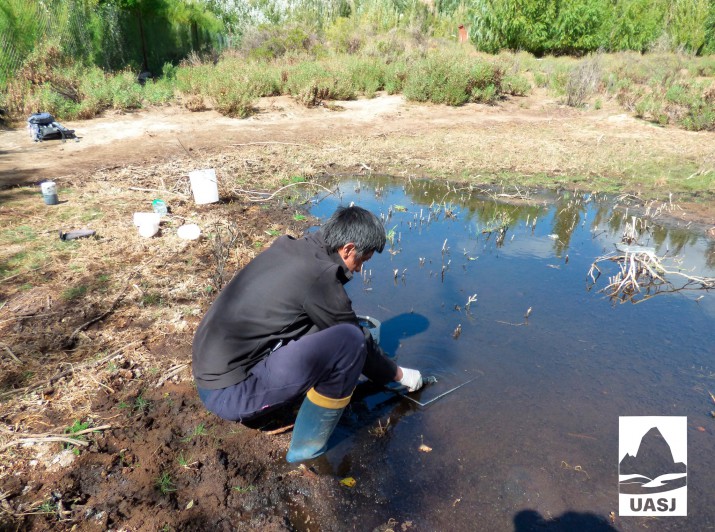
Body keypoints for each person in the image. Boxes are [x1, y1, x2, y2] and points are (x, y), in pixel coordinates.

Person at [192, 205, 423, 463]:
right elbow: (357, 343)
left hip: (210, 372)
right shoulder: (320, 278)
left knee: (326, 327)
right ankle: (308, 447)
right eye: (362, 260)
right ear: (347, 248)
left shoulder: (292, 248)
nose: (358, 270)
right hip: (229, 394)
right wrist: (399, 375)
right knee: (350, 341)